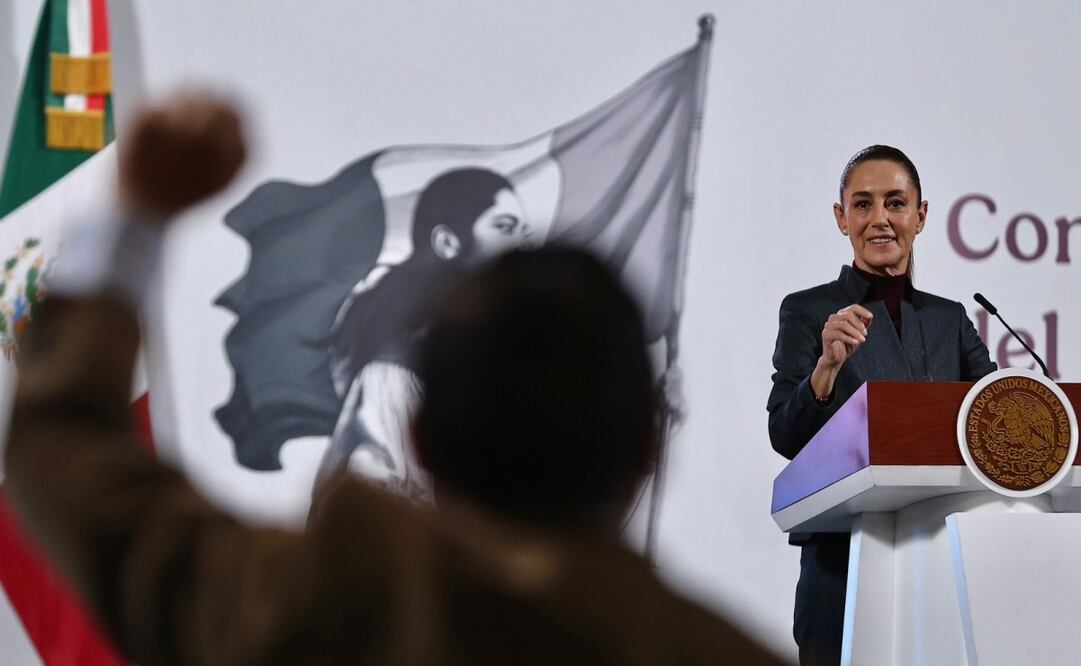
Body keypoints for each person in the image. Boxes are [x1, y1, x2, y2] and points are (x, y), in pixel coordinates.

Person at [5, 95, 787, 665]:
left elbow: (63, 454)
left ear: (424, 437)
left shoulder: (315, 612)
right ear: (651, 439)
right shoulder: (712, 654)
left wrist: (136, 217)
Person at [766, 144, 996, 665]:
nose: (880, 219)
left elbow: (993, 412)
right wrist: (825, 368)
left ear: (921, 215)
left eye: (895, 203)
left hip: (941, 552)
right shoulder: (808, 311)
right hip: (842, 558)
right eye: (863, 204)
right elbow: (784, 435)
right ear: (841, 218)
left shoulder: (950, 319)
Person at [318, 168, 532, 498]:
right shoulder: (393, 375)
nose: (523, 245)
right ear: (447, 242)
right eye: (505, 227)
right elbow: (367, 501)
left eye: (524, 232)